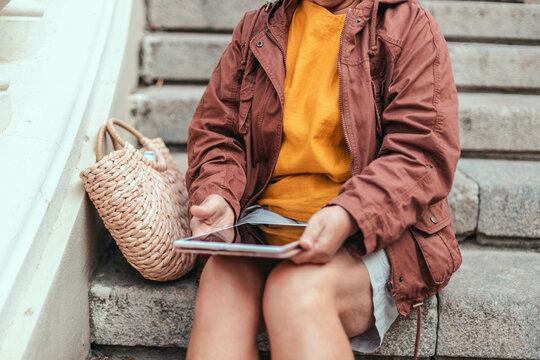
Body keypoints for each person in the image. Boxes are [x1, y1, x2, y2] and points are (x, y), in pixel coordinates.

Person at [185, 0, 461, 358]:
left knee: (296, 292)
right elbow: (217, 133)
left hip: (375, 232)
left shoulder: (405, 25)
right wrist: (219, 196)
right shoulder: (256, 29)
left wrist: (348, 215)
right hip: (264, 229)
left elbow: (421, 152)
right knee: (221, 285)